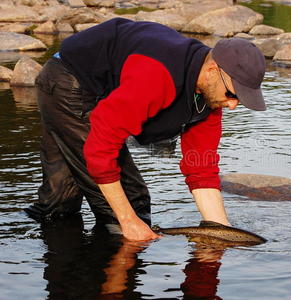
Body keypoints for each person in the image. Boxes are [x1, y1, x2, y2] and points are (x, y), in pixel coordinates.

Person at [25, 18, 266, 241]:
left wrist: (219, 233)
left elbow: (201, 166)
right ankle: (116, 284)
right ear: (213, 70)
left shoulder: (211, 99)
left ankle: (56, 271)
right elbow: (101, 148)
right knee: (130, 202)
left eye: (241, 99)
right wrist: (129, 221)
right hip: (70, 82)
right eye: (233, 94)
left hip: (104, 84)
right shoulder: (157, 75)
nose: (233, 105)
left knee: (59, 201)